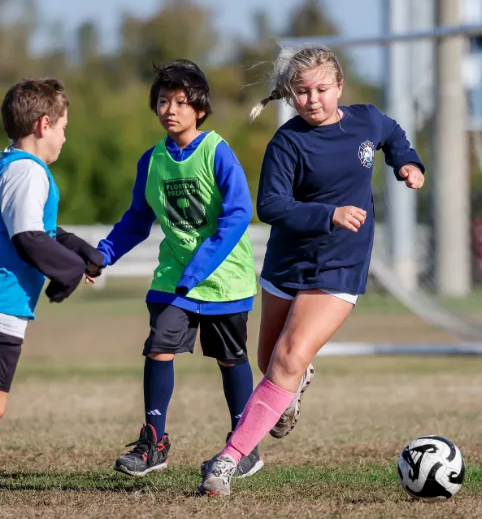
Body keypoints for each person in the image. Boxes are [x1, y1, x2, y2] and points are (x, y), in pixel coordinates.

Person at [199, 45, 425, 496]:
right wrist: (329, 213)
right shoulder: (288, 142)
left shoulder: (366, 120)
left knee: (287, 356)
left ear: (339, 86)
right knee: (272, 363)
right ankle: (295, 382)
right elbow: (271, 206)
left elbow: (393, 134)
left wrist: (407, 161)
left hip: (340, 267)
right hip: (287, 264)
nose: (313, 99)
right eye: (302, 92)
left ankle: (229, 459)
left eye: (322, 89)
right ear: (289, 96)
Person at [96, 59, 262, 478]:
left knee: (231, 359)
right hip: (174, 279)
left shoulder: (217, 152)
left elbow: (240, 213)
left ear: (200, 110)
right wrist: (103, 254)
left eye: (181, 102)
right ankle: (154, 443)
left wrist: (200, 268)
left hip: (223, 279)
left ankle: (244, 445)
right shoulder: (151, 161)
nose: (171, 109)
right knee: (158, 347)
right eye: (164, 101)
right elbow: (137, 219)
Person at [0, 78, 104, 420]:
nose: (64, 137)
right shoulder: (27, 170)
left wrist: (77, 249)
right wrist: (69, 272)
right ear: (44, 124)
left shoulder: (13, 166)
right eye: (63, 128)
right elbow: (28, 237)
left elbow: (35, 227)